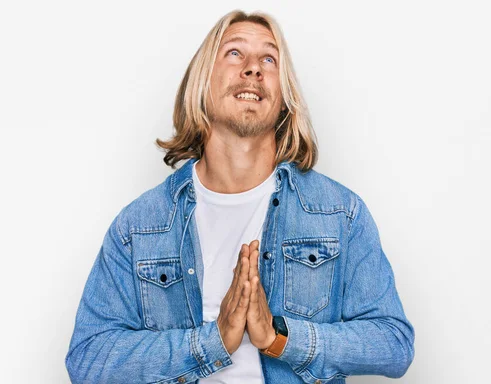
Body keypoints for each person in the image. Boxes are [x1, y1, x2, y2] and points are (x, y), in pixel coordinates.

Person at [65, 9, 415, 384]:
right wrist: (211, 342)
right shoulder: (139, 226)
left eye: (269, 58)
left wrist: (280, 337)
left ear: (284, 98)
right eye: (234, 53)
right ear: (203, 83)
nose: (253, 68)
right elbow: (88, 359)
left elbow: (394, 344)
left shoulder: (339, 214)